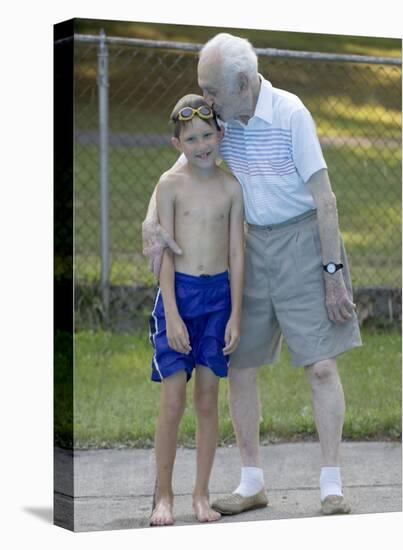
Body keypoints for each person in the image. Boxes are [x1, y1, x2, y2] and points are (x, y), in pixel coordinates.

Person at [143, 33, 362, 517]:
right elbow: (177, 167)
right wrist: (148, 220)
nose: (206, 100)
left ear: (242, 83)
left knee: (322, 365)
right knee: (238, 364)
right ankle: (251, 482)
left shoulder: (290, 114)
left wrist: (332, 273)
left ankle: (331, 485)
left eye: (212, 90)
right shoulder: (222, 117)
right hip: (248, 248)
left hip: (305, 242)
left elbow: (326, 199)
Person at [148, 93, 245, 526]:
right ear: (177, 144)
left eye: (208, 135)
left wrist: (236, 315)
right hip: (179, 297)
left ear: (220, 134)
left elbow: (237, 256)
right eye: (192, 138)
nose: (202, 144)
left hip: (218, 301)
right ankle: (162, 496)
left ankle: (201, 494)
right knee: (173, 400)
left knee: (208, 400)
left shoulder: (231, 189)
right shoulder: (170, 186)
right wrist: (170, 312)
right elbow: (166, 253)